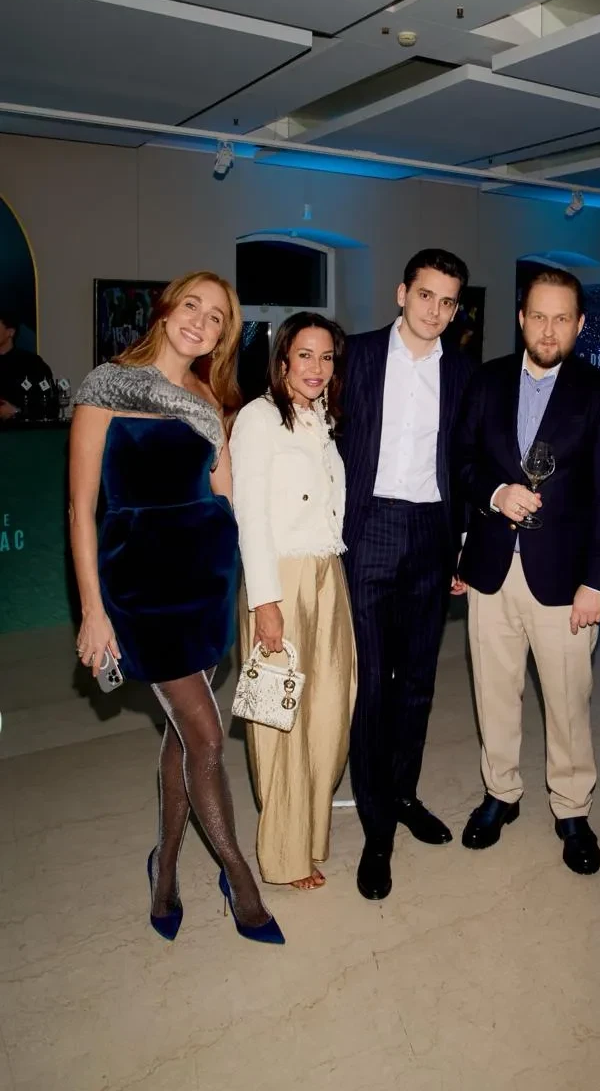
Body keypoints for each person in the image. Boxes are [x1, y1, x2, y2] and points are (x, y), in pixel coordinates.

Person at [69, 271, 284, 946]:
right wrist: (93, 610)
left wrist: (252, 586)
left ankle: (164, 867)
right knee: (209, 739)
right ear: (165, 310)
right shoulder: (106, 386)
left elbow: (226, 496)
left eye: (217, 317)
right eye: (192, 305)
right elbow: (80, 508)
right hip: (138, 588)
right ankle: (241, 883)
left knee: (185, 735)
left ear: (223, 335)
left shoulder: (208, 399)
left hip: (204, 583)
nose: (201, 321)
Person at [456, 268, 600, 875]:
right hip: (491, 570)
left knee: (569, 701)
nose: (549, 330)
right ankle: (501, 793)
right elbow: (461, 461)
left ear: (579, 325)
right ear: (521, 318)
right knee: (494, 693)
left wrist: (597, 581)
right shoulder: (486, 380)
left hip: (566, 581)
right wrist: (495, 494)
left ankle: (572, 808)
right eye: (539, 316)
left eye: (562, 319)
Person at [340, 248, 475, 901]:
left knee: (417, 681)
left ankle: (402, 794)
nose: (435, 311)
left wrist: (464, 544)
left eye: (447, 301)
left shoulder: (465, 373)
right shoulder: (356, 356)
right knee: (371, 685)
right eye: (426, 295)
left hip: (431, 533)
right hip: (367, 529)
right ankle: (376, 831)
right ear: (402, 293)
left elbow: (468, 463)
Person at [230, 312, 356, 891]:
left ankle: (309, 834)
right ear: (282, 360)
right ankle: (283, 855)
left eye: (326, 357)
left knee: (331, 709)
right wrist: (266, 602)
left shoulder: (323, 420)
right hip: (280, 578)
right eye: (305, 355)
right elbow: (250, 515)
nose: (316, 367)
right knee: (278, 716)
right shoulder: (258, 419)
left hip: (328, 573)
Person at [0, 308, 56, 419]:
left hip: (21, 428)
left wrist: (16, 411)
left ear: (10, 332)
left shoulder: (32, 363)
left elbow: (49, 404)